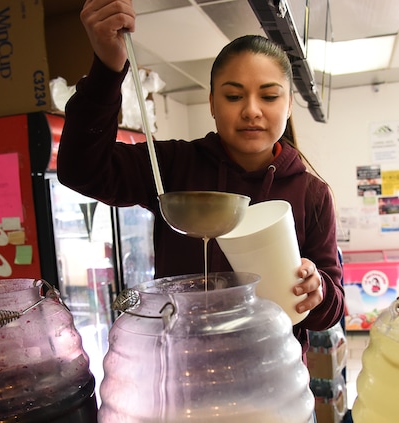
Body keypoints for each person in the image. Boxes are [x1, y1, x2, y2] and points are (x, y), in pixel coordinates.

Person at [57, 0, 345, 360]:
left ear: (288, 106)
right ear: (211, 102)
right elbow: (80, 169)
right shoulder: (175, 166)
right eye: (233, 95)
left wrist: (318, 292)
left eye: (269, 96)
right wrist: (107, 67)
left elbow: (330, 312)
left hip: (273, 378)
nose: (252, 110)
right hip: (186, 371)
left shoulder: (311, 193)